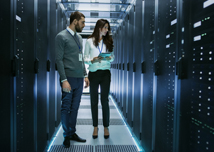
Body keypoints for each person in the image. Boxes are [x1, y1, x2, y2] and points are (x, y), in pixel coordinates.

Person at [55, 11, 89, 148]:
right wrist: (64, 80)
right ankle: (66, 135)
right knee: (66, 107)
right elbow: (59, 60)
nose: (84, 25)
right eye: (82, 22)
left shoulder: (79, 38)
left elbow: (81, 60)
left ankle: (72, 132)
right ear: (74, 21)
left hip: (79, 79)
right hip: (68, 78)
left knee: (75, 108)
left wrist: (85, 75)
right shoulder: (61, 37)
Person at [84, 19, 114, 139]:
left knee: (105, 101)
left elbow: (113, 58)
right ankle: (95, 127)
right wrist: (92, 60)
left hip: (106, 73)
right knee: (94, 101)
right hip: (94, 73)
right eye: (105, 27)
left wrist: (109, 58)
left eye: (108, 28)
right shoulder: (89, 41)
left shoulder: (109, 41)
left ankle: (106, 126)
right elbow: (85, 58)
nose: (107, 30)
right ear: (99, 28)